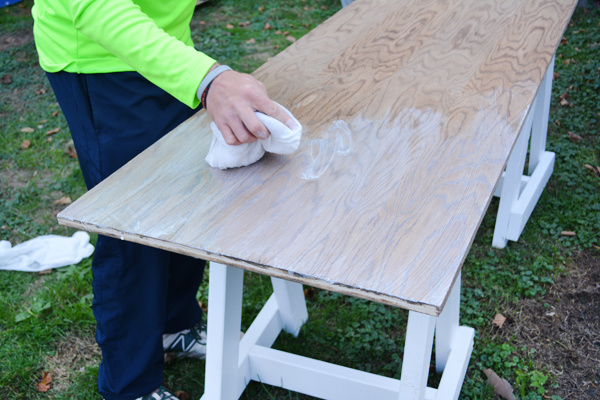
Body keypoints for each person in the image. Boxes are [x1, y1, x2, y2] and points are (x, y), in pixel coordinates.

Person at [31, 1, 296, 399]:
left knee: (186, 199)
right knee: (131, 228)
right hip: (100, 58)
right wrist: (207, 80)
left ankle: (176, 324)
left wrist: (196, 73)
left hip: (168, 47)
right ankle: (129, 384)